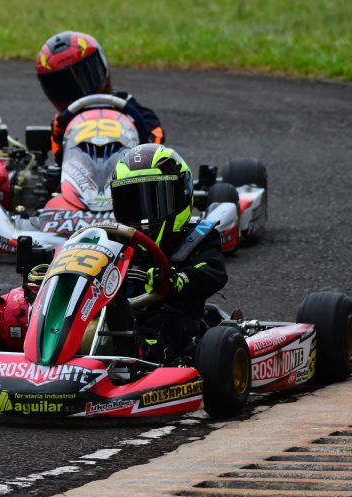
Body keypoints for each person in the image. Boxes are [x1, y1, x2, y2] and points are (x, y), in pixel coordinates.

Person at [109, 143, 228, 364]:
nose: (143, 214)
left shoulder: (196, 238)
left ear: (181, 196)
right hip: (115, 316)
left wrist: (178, 280)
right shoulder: (113, 240)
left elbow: (213, 270)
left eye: (154, 201)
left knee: (164, 323)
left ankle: (141, 355)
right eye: (132, 202)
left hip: (175, 318)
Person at [35, 31, 165, 164]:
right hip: (80, 179)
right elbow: (60, 159)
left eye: (84, 76)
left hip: (126, 174)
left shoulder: (126, 106)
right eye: (64, 86)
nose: (77, 89)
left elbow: (155, 135)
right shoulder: (62, 122)